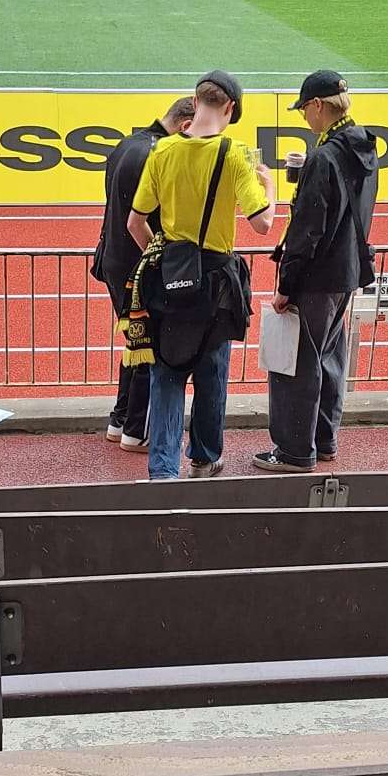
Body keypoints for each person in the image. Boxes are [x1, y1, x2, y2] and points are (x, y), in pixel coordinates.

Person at [127, 72, 273, 482]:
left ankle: (163, 471)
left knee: (166, 372)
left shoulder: (163, 150)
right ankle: (204, 459)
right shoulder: (236, 154)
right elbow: (263, 223)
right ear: (230, 108)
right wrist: (271, 187)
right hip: (217, 282)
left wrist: (162, 258)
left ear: (195, 101)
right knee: (212, 375)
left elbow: (135, 222)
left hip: (171, 277)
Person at [253, 71, 378, 474]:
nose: (304, 116)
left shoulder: (323, 158)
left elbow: (307, 231)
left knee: (296, 364)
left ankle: (294, 451)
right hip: (347, 272)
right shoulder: (363, 148)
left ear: (319, 105)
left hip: (316, 278)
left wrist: (286, 285)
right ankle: (324, 440)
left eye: (305, 108)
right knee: (329, 359)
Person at [92, 95, 197, 450]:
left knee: (135, 342)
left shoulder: (126, 144)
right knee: (148, 346)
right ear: (185, 126)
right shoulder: (159, 155)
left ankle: (121, 419)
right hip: (139, 264)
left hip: (113, 258)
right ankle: (136, 430)